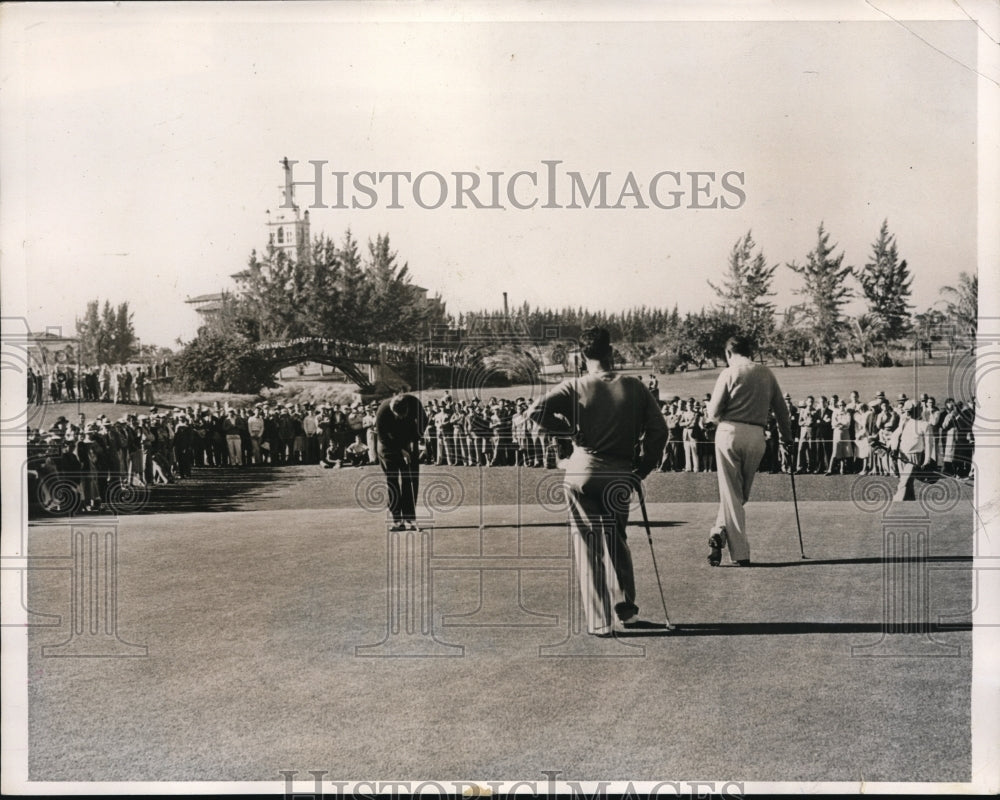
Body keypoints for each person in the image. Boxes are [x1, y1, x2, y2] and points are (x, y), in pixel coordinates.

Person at [527, 327, 667, 636]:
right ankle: (626, 612)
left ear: (583, 355)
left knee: (587, 546)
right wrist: (642, 469)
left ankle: (600, 621)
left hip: (582, 470)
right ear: (610, 352)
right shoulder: (635, 386)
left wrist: (568, 432)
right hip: (619, 472)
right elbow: (660, 431)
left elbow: (535, 412)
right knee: (616, 540)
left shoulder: (574, 385)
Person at [705, 334, 792, 567]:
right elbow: (782, 411)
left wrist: (714, 417)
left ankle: (740, 552)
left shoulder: (728, 373)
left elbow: (713, 413)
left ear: (728, 353)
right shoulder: (766, 373)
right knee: (740, 494)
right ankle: (719, 531)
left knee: (732, 493)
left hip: (729, 432)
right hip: (756, 436)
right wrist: (788, 439)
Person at [375, 392, 427, 531]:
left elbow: (424, 422)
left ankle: (410, 518)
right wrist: (400, 450)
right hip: (387, 445)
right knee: (392, 480)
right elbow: (382, 436)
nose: (400, 418)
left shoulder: (414, 404)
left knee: (409, 480)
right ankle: (397, 520)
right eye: (397, 416)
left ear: (407, 410)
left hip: (408, 440)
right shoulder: (383, 411)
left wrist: (413, 440)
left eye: (402, 416)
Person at [889, 400, 929, 501]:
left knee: (904, 482)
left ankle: (896, 502)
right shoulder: (904, 421)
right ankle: (910, 504)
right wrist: (894, 448)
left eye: (910, 411)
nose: (908, 414)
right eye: (907, 411)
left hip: (914, 457)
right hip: (901, 456)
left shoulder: (924, 425)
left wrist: (927, 461)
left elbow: (929, 445)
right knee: (908, 483)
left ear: (919, 410)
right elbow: (895, 436)